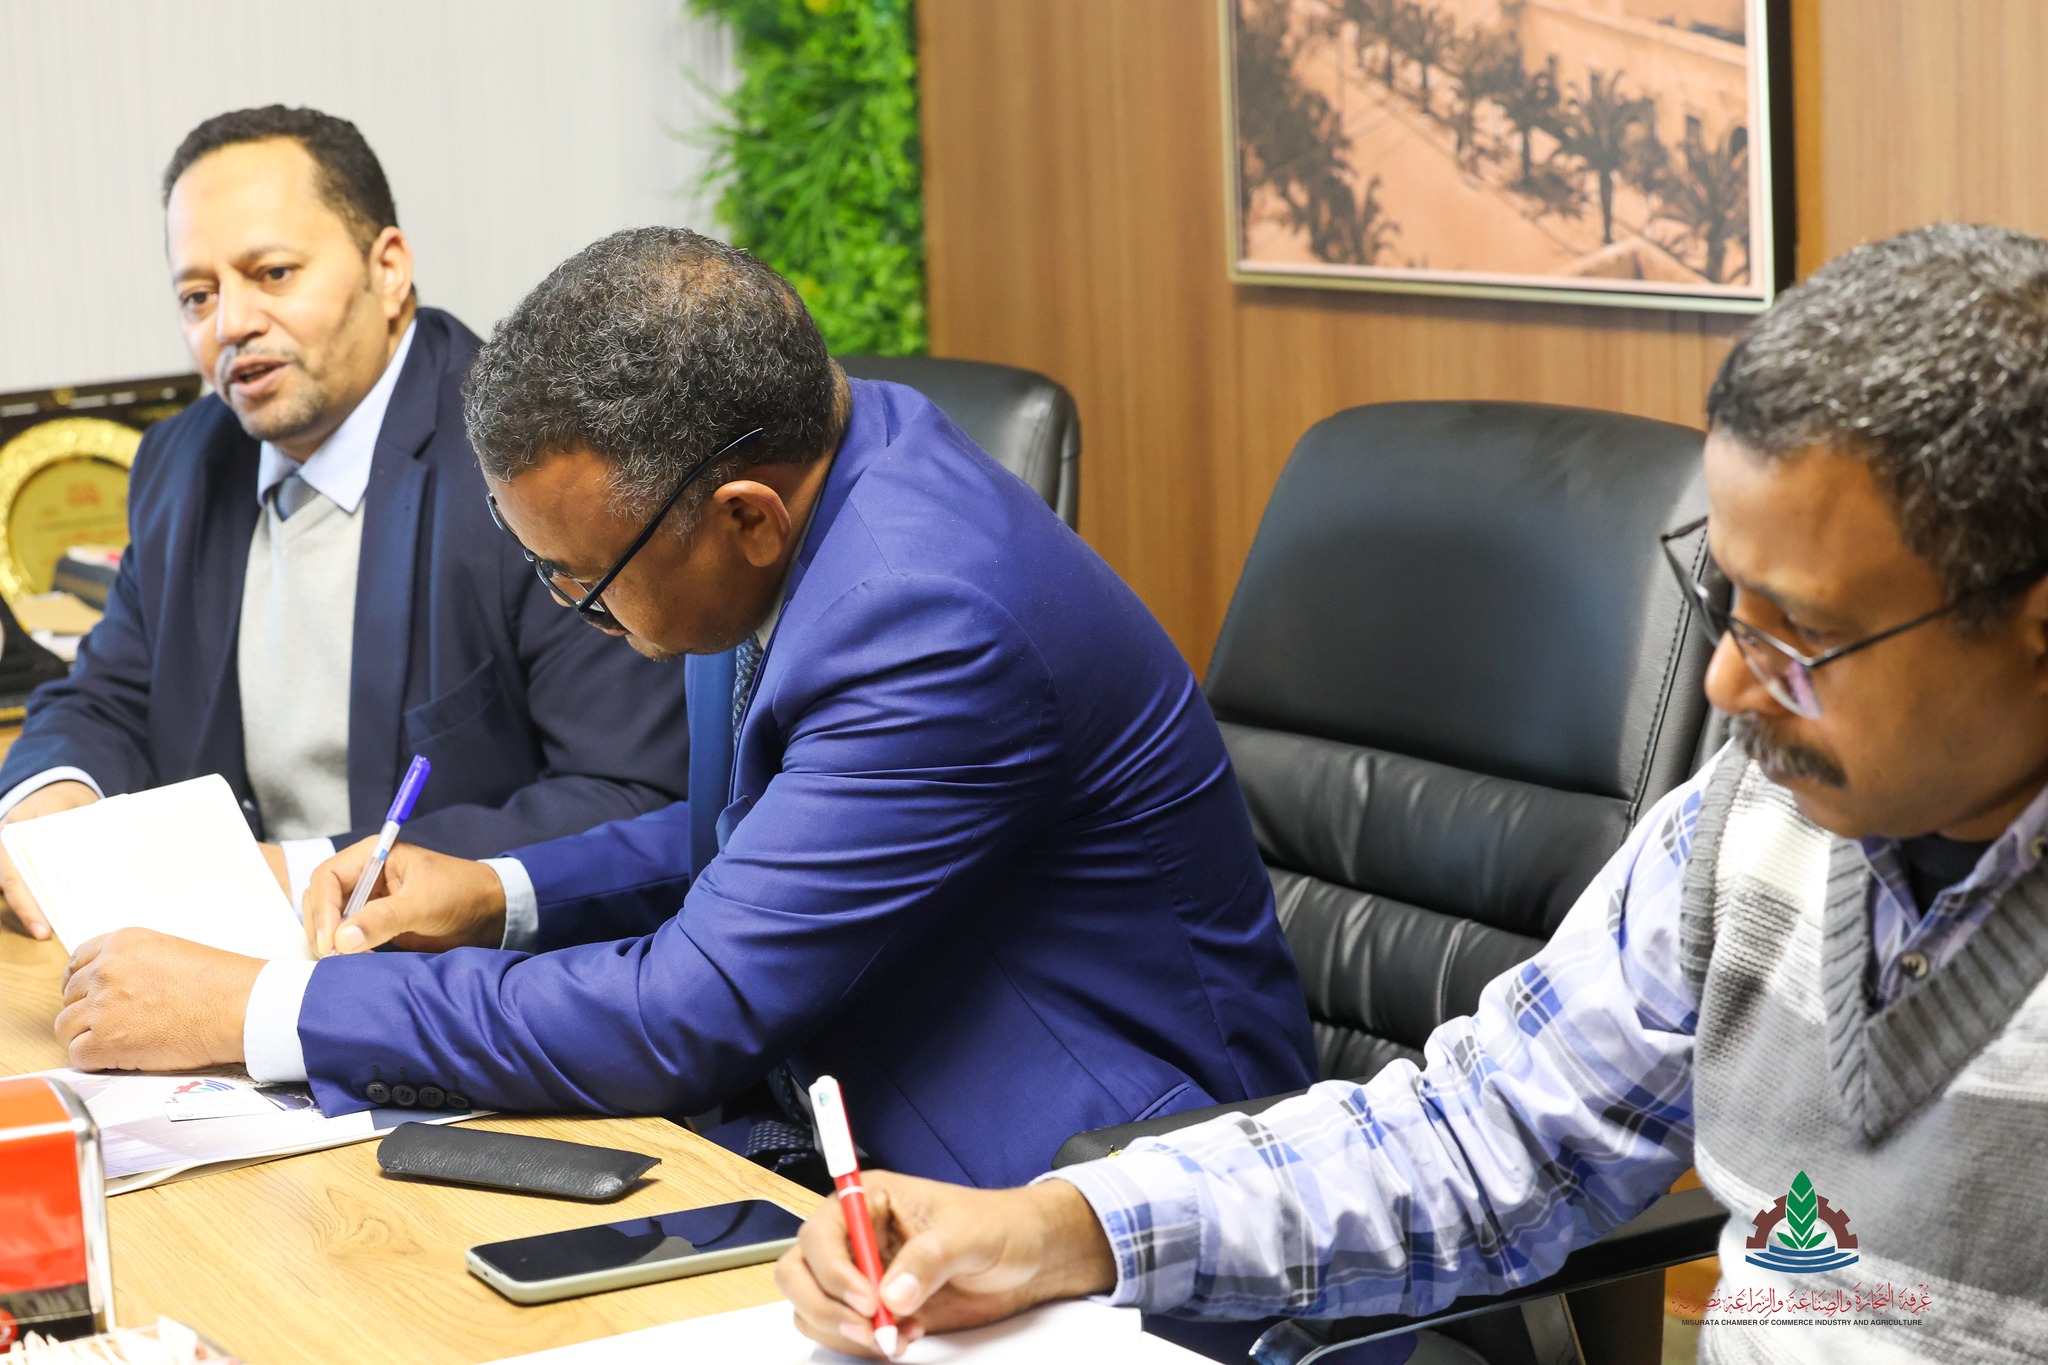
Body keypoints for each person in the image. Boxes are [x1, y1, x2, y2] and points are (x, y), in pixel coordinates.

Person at [775, 223, 2048, 1364]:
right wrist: (1057, 1229)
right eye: (1724, 601)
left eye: (1800, 636)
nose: (1724, 684)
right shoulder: (1752, 820)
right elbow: (1485, 1136)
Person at [51, 227, 1317, 1188]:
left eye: (582, 581)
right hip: (842, 1105)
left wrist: (260, 1009)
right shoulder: (794, 468)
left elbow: (681, 1014)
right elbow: (773, 831)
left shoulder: (928, 619)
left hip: (1092, 1188)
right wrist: (497, 893)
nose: (567, 609)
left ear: (742, 520)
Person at [0, 106, 692, 935]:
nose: (231, 324)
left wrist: (294, 872)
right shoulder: (179, 461)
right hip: (212, 954)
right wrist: (52, 795)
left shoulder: (535, 467)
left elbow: (632, 796)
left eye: (273, 273)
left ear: (388, 268)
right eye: (198, 295)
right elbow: (107, 695)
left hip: (449, 973)